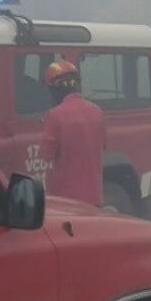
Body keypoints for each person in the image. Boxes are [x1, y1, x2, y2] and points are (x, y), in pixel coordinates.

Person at [39, 60, 106, 206]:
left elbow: (45, 154)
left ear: (54, 89)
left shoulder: (54, 115)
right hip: (94, 197)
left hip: (66, 199)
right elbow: (103, 145)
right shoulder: (97, 111)